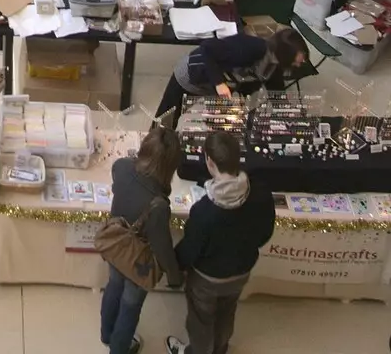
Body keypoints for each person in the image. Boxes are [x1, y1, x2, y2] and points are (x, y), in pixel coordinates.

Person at [166, 131, 276, 354]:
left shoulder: (204, 211)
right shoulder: (262, 194)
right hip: (242, 270)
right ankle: (220, 349)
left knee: (201, 322)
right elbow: (265, 233)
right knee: (227, 313)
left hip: (207, 279)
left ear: (209, 161)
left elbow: (190, 250)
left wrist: (175, 267)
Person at [101, 125, 183, 354]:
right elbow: (162, 246)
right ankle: (119, 349)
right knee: (130, 305)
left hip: (115, 245)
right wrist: (174, 275)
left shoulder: (123, 167)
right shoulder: (158, 205)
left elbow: (117, 178)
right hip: (139, 262)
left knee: (113, 287)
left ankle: (107, 334)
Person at [155, 27, 307, 120]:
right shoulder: (251, 48)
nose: (301, 63)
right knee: (167, 116)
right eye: (298, 58)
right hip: (192, 74)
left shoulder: (275, 65)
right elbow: (207, 48)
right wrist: (219, 83)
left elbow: (277, 94)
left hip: (217, 85)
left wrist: (289, 115)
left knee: (219, 122)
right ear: (284, 53)